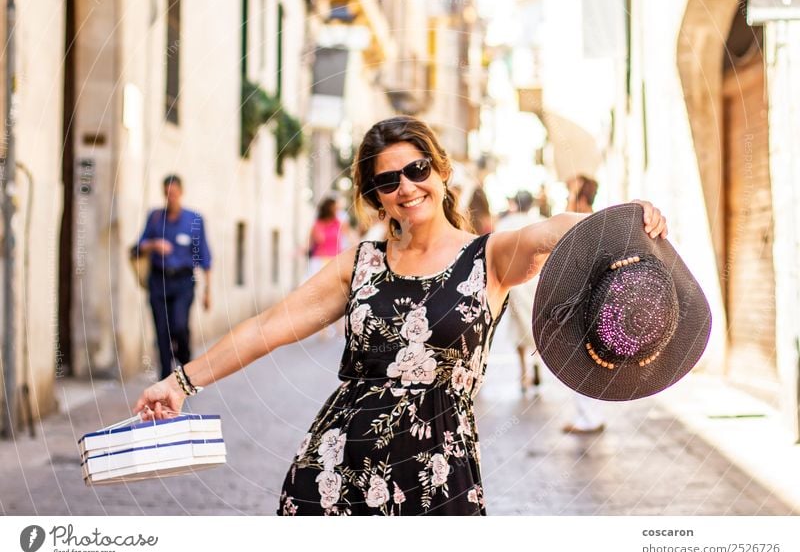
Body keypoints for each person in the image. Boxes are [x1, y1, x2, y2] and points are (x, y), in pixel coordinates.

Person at [133, 116, 667, 515]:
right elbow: (267, 328)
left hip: (440, 478)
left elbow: (553, 229)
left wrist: (618, 219)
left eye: (417, 170)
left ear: (440, 171)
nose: (407, 187)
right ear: (376, 199)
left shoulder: (491, 256)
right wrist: (181, 382)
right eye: (389, 182)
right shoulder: (360, 266)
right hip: (335, 471)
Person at [136, 175, 212, 380]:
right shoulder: (154, 217)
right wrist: (154, 244)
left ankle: (185, 363)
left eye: (174, 193)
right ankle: (165, 378)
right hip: (158, 281)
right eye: (167, 193)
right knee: (161, 331)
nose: (170, 197)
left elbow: (205, 256)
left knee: (179, 326)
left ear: (181, 192)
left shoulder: (194, 220)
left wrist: (207, 292)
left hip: (183, 282)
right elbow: (138, 247)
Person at [561, 173, 607, 435]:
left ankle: (589, 418)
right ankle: (587, 416)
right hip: (587, 301)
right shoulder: (595, 221)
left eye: (570, 193)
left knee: (582, 362)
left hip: (585, 303)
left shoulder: (583, 223)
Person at [495, 190, 544, 392]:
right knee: (538, 324)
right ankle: (537, 364)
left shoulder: (505, 224)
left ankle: (524, 372)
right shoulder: (541, 221)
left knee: (519, 327)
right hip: (537, 281)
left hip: (515, 284)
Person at [307, 197, 351, 278]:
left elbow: (349, 238)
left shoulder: (340, 223)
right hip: (319, 261)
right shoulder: (317, 224)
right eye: (335, 208)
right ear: (329, 209)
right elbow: (313, 242)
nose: (338, 210)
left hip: (335, 260)